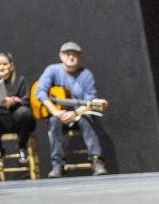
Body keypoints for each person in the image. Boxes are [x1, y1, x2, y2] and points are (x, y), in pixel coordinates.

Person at [34, 41, 108, 177]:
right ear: (61, 56)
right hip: (58, 114)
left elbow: (91, 101)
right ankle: (57, 165)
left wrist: (75, 113)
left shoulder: (86, 75)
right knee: (54, 121)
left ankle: (96, 160)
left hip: (79, 113)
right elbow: (40, 92)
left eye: (74, 55)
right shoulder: (52, 70)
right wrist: (55, 111)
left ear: (80, 57)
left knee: (87, 120)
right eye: (68, 54)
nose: (71, 57)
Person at [0, 52, 36, 164]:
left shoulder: (20, 80)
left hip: (16, 121)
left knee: (24, 112)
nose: (1, 67)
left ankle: (21, 147)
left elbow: (26, 102)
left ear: (11, 66)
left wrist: (13, 102)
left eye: (5, 64)